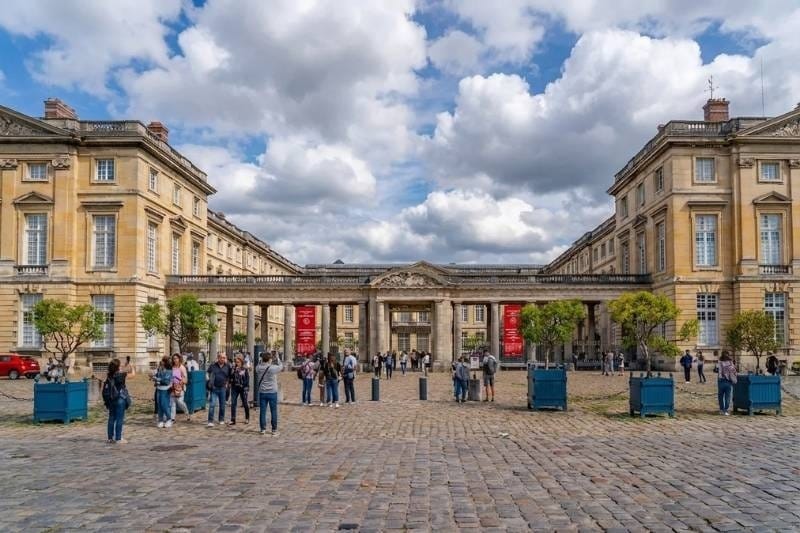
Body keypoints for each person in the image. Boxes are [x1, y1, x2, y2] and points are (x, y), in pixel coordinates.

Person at [255, 351, 284, 435]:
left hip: (263, 392)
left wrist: (261, 359)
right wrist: (277, 358)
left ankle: (262, 429)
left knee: (263, 411)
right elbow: (281, 366)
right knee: (273, 411)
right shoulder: (272, 368)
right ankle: (274, 429)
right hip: (272, 392)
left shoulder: (259, 368)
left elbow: (257, 366)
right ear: (269, 360)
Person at [104, 358, 128, 444]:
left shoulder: (109, 376)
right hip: (119, 399)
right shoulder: (121, 375)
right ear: (117, 367)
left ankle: (110, 438)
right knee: (119, 419)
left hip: (111, 399)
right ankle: (118, 438)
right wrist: (130, 367)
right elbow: (133, 374)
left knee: (111, 418)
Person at [206, 352, 231, 427]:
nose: (223, 359)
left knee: (222, 405)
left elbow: (230, 376)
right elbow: (207, 373)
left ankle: (221, 419)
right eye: (221, 358)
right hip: (214, 388)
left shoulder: (228, 366)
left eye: (224, 358)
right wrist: (208, 380)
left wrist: (227, 383)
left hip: (223, 388)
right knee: (212, 405)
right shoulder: (213, 365)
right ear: (218, 358)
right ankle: (210, 421)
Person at [229, 355, 250, 425]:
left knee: (245, 403)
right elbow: (231, 377)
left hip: (243, 388)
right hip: (235, 388)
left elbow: (247, 379)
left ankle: (247, 418)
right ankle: (233, 419)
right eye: (236, 362)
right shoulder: (233, 369)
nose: (237, 363)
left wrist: (244, 385)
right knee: (233, 403)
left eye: (238, 362)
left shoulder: (245, 369)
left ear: (241, 362)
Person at [154, 356, 173, 428]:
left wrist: (157, 379)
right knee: (159, 406)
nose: (161, 362)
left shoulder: (169, 371)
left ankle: (169, 419)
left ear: (165, 362)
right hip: (159, 389)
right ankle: (160, 420)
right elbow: (157, 377)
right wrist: (153, 377)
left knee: (164, 405)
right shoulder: (160, 370)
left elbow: (166, 381)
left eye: (163, 361)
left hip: (165, 390)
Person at [169, 353, 189, 423]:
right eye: (174, 359)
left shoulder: (182, 367)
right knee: (172, 403)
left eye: (176, 358)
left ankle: (186, 412)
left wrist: (181, 383)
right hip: (172, 387)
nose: (175, 360)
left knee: (180, 402)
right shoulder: (171, 367)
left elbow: (185, 379)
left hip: (180, 387)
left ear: (179, 359)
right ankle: (172, 418)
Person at [717, 351, 737, 415]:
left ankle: (721, 409)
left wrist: (720, 377)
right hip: (729, 381)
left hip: (721, 380)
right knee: (728, 396)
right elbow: (734, 371)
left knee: (721, 396)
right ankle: (725, 410)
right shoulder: (731, 362)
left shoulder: (720, 362)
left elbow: (718, 371)